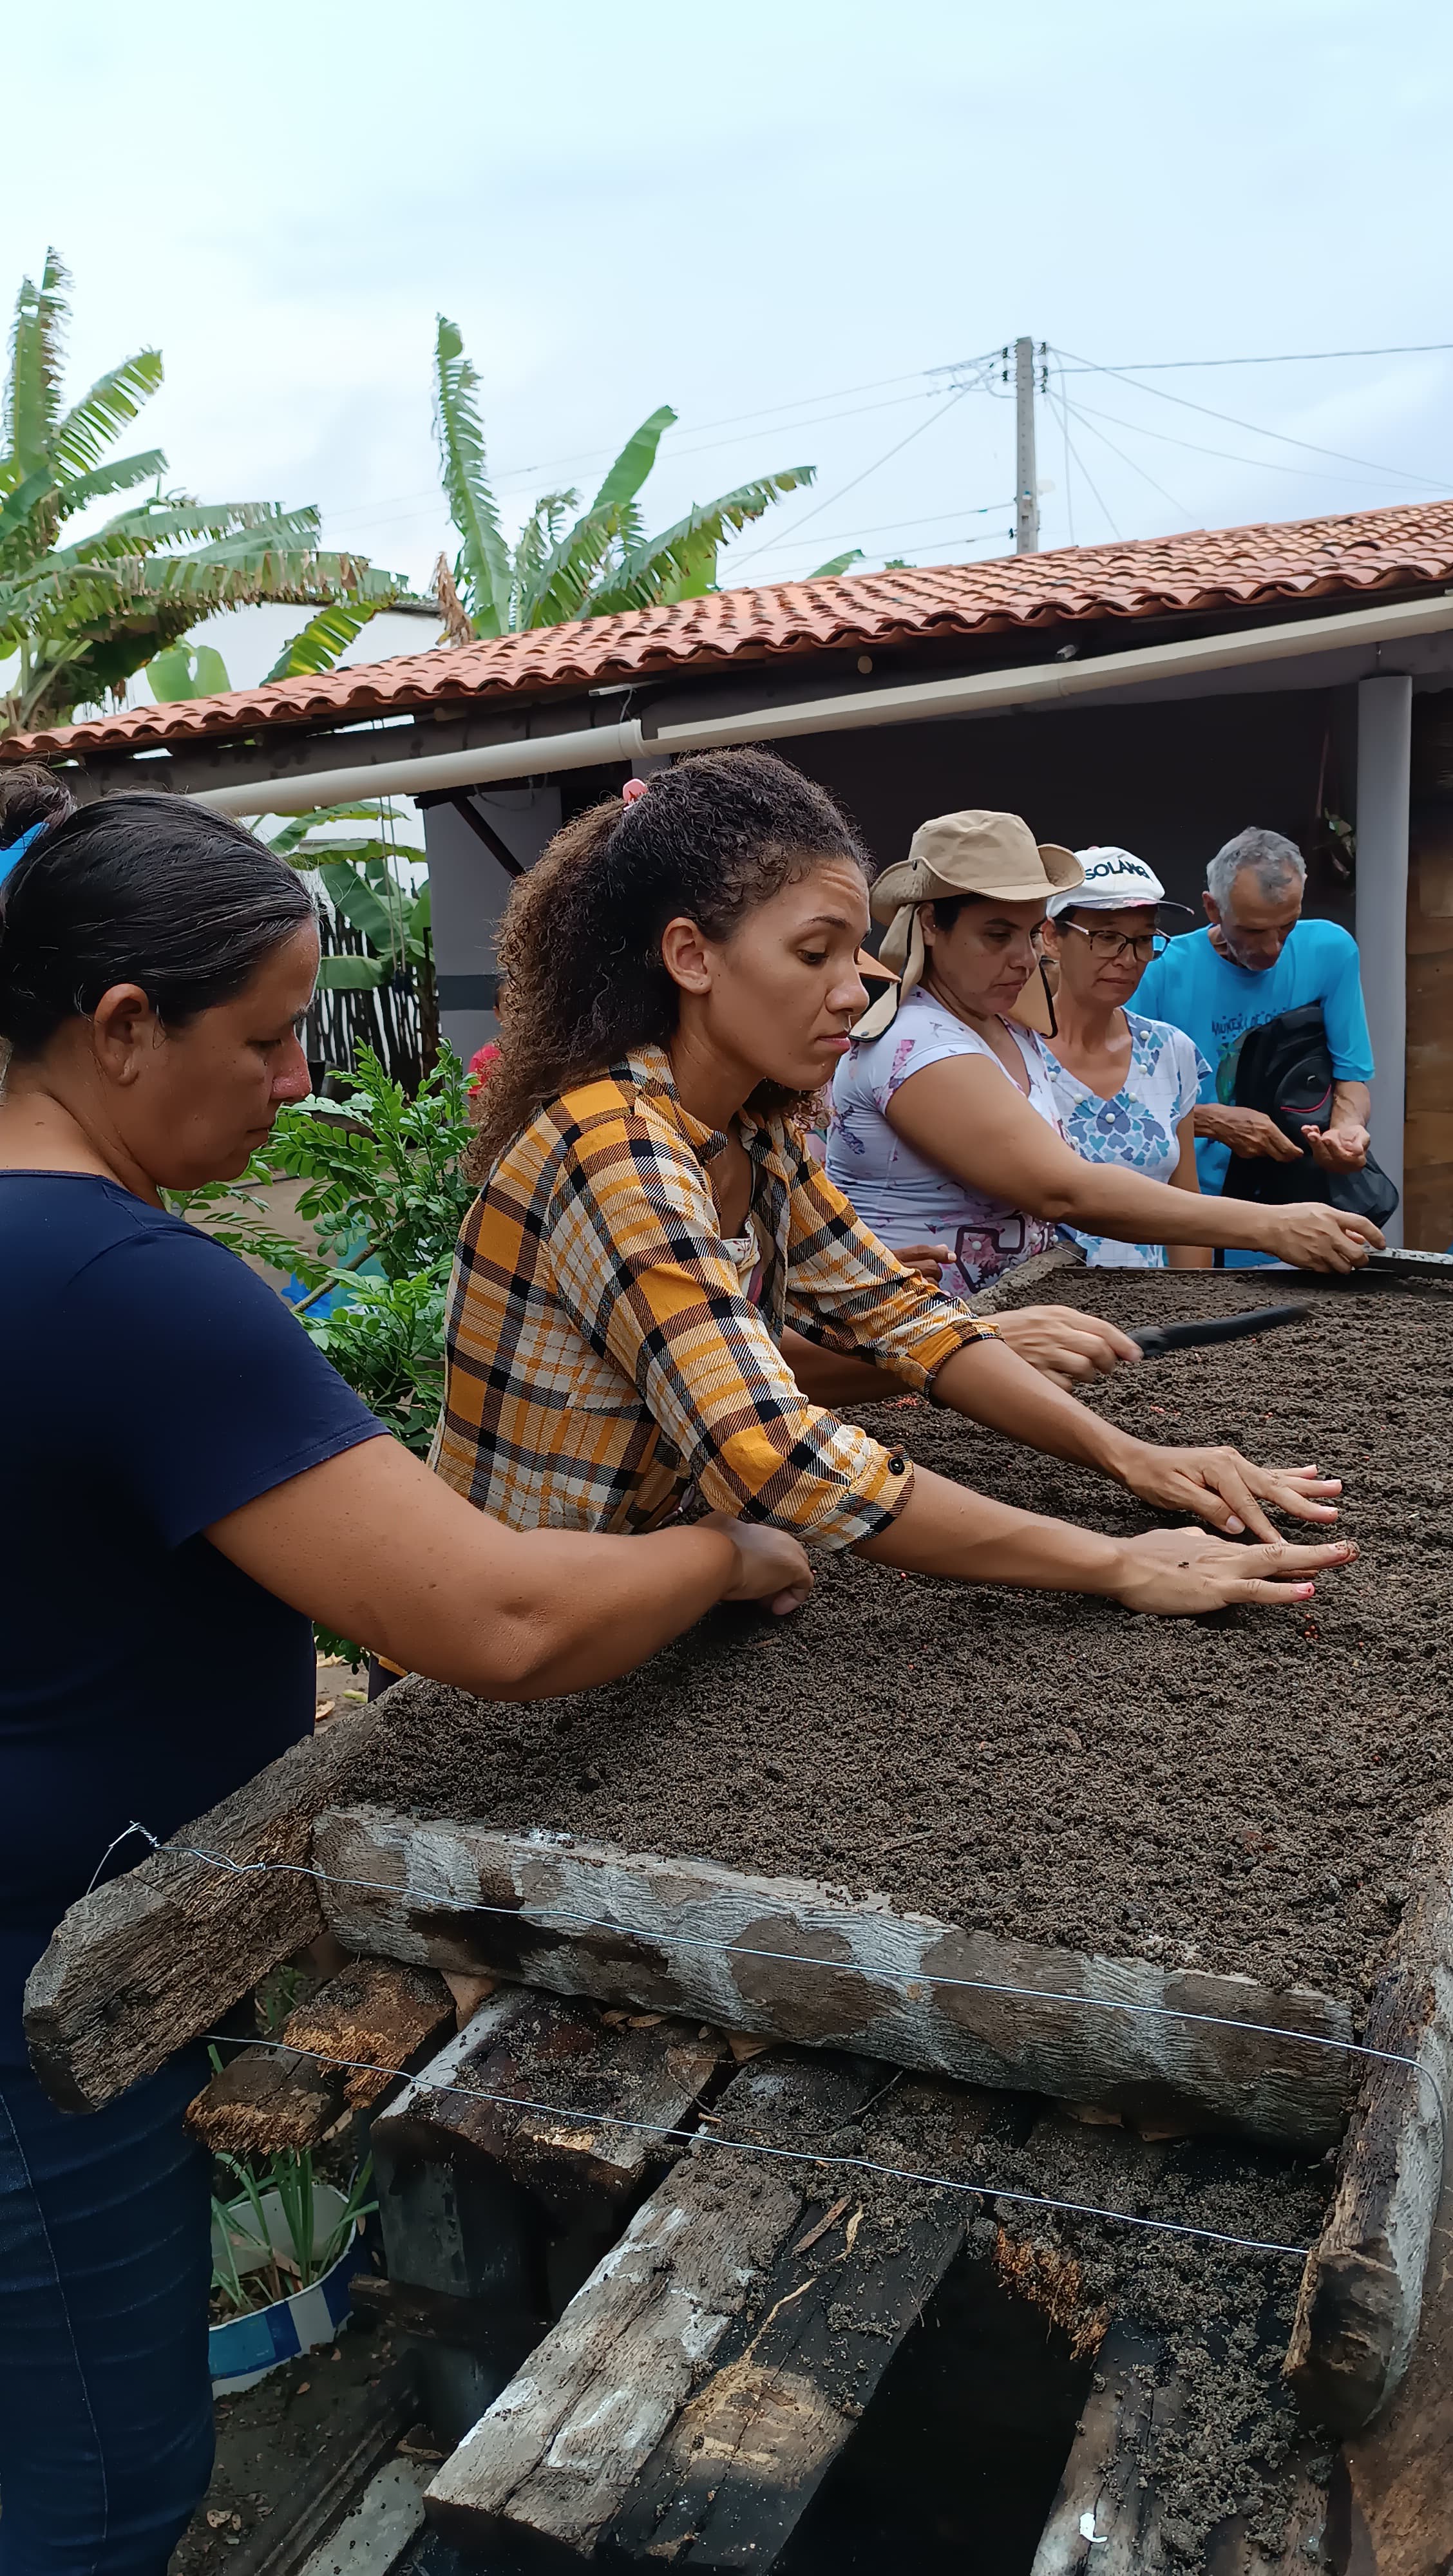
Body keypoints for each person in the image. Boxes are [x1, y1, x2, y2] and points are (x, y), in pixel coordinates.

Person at [0, 791, 813, 2576]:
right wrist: (725, 1556)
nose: (299, 1082)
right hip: (33, 1984)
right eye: (268, 1036)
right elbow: (496, 1621)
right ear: (121, 1025)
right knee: (101, 2488)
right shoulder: (125, 1285)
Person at [438, 746, 1356, 1625]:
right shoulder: (617, 1153)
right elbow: (774, 1453)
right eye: (815, 955)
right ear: (691, 955)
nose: (853, 992)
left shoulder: (755, 1130)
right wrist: (1120, 1562)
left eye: (853, 956)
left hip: (631, 1589)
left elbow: (898, 1313)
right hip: (514, 1630)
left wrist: (1135, 1459)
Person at [824, 807, 1380, 1343]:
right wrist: (1271, 1226)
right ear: (930, 924)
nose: (1023, 958)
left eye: (1028, 934)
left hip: (995, 1335)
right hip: (907, 1350)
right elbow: (1063, 1191)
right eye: (997, 935)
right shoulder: (917, 1043)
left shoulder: (1010, 1027)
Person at [1133, 825, 1376, 1265]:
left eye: (1287, 926)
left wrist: (1345, 1132)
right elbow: (1120, 1109)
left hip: (1300, 1208)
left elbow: (1351, 1078)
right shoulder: (1156, 969)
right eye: (1252, 931)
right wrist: (1212, 1121)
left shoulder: (1332, 950)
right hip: (1188, 1215)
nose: (1272, 948)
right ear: (1212, 908)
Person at [1038, 845, 1210, 1270]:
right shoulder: (1011, 1051)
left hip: (1150, 1305)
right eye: (1107, 938)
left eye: (1143, 940)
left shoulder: (1171, 1052)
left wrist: (1192, 1305)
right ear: (1052, 938)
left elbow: (1188, 1210)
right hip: (1038, 1306)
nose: (1128, 960)